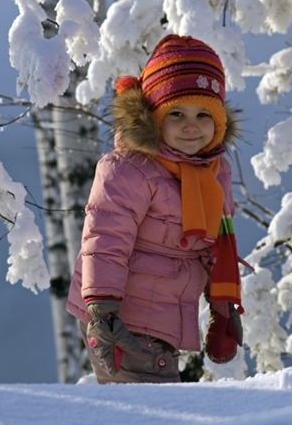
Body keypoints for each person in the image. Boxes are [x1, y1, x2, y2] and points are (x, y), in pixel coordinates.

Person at [66, 34, 245, 384]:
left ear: (219, 120)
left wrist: (221, 304)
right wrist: (103, 308)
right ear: (154, 117)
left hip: (163, 312)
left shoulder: (213, 171)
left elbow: (212, 247)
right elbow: (105, 239)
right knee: (150, 406)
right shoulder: (131, 167)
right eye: (176, 113)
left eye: (203, 114)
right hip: (121, 315)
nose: (190, 125)